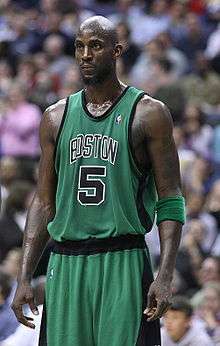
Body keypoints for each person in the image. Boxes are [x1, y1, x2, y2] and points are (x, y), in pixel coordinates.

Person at [12, 16, 185, 346]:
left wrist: (165, 274)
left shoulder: (149, 113)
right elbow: (44, 201)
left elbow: (171, 198)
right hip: (64, 263)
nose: (86, 55)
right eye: (79, 46)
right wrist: (24, 276)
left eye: (96, 46)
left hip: (123, 259)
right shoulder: (55, 117)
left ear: (117, 51)